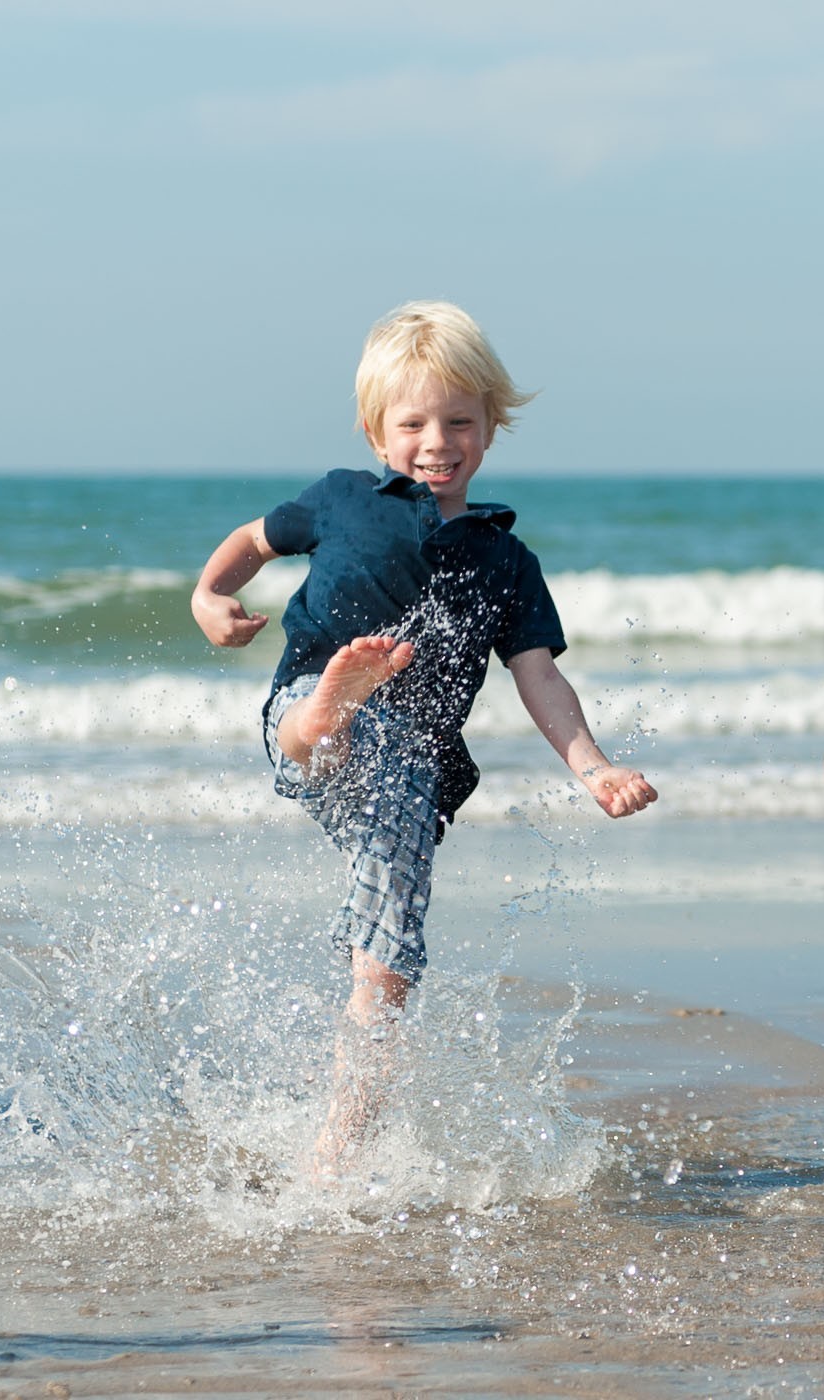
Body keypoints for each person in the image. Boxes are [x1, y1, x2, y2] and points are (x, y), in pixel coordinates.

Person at [191, 300, 656, 1178]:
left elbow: (539, 676)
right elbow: (254, 541)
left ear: (490, 428)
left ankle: (337, 1151)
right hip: (313, 706)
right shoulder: (338, 499)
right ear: (376, 430)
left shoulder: (503, 560)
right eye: (413, 424)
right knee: (326, 734)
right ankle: (326, 712)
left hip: (413, 775)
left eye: (459, 422)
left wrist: (591, 766)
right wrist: (209, 597)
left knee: (386, 964)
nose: (436, 441)